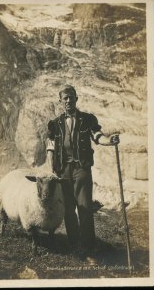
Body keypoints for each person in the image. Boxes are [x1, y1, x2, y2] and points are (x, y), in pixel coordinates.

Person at [46, 85, 119, 262]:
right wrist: (50, 170)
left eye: (71, 97)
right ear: (60, 101)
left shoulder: (87, 119)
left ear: (76, 99)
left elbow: (97, 136)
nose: (68, 101)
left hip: (81, 169)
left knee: (84, 207)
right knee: (69, 209)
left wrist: (109, 141)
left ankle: (88, 248)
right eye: (65, 98)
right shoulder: (55, 124)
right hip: (63, 170)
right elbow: (50, 148)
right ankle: (74, 244)